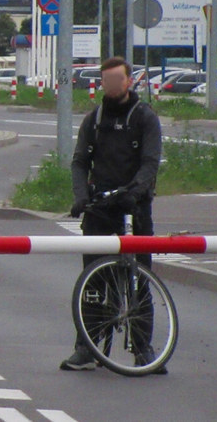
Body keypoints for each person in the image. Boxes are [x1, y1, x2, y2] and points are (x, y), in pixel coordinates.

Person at [61, 55, 162, 372]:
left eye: (118, 79)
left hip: (133, 207)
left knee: (139, 279)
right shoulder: (95, 118)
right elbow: (79, 162)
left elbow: (150, 161)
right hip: (100, 208)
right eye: (107, 81)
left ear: (129, 81)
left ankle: (143, 349)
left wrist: (136, 190)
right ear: (102, 84)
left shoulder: (144, 117)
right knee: (93, 281)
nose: (113, 85)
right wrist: (80, 196)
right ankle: (86, 347)